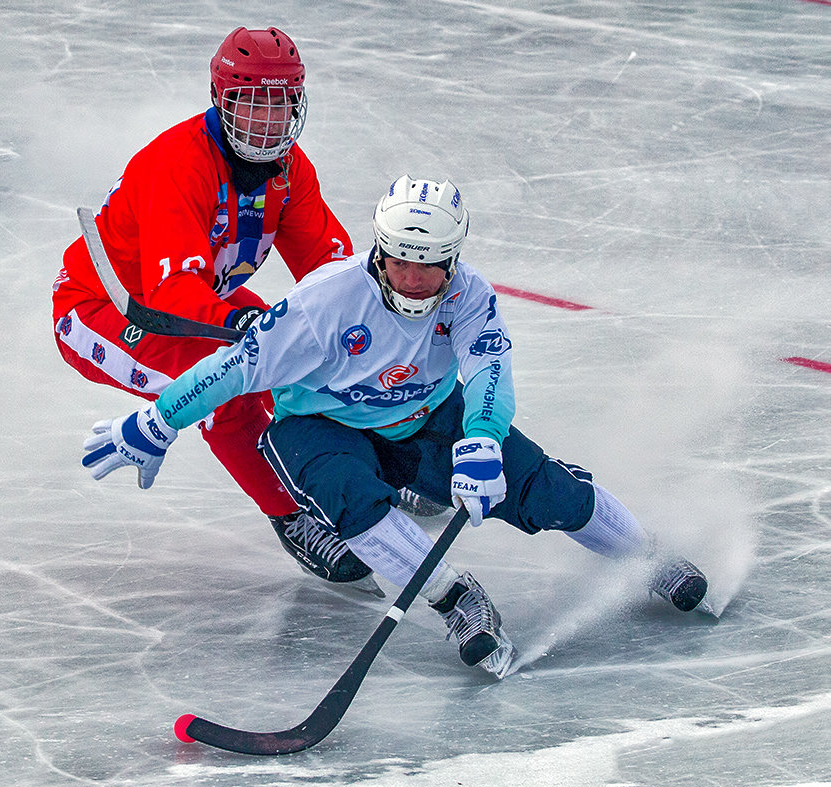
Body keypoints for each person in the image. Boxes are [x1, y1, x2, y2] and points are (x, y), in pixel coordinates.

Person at [80, 175, 710, 678]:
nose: (413, 279)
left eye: (429, 266)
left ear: (453, 262)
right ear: (379, 251)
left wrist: (484, 436)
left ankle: (647, 556)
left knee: (549, 493)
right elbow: (235, 370)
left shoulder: (469, 295)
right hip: (321, 425)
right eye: (400, 262)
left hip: (427, 416)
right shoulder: (325, 303)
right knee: (354, 503)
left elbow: (490, 367)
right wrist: (157, 422)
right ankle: (455, 600)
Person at [52, 26, 386, 591]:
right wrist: (244, 327)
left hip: (207, 298)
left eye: (281, 105)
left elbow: (329, 273)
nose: (268, 122)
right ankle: (292, 516)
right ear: (221, 98)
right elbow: (169, 296)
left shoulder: (291, 170)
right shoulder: (177, 165)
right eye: (253, 103)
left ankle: (365, 461)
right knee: (225, 389)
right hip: (110, 313)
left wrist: (377, 313)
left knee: (320, 353)